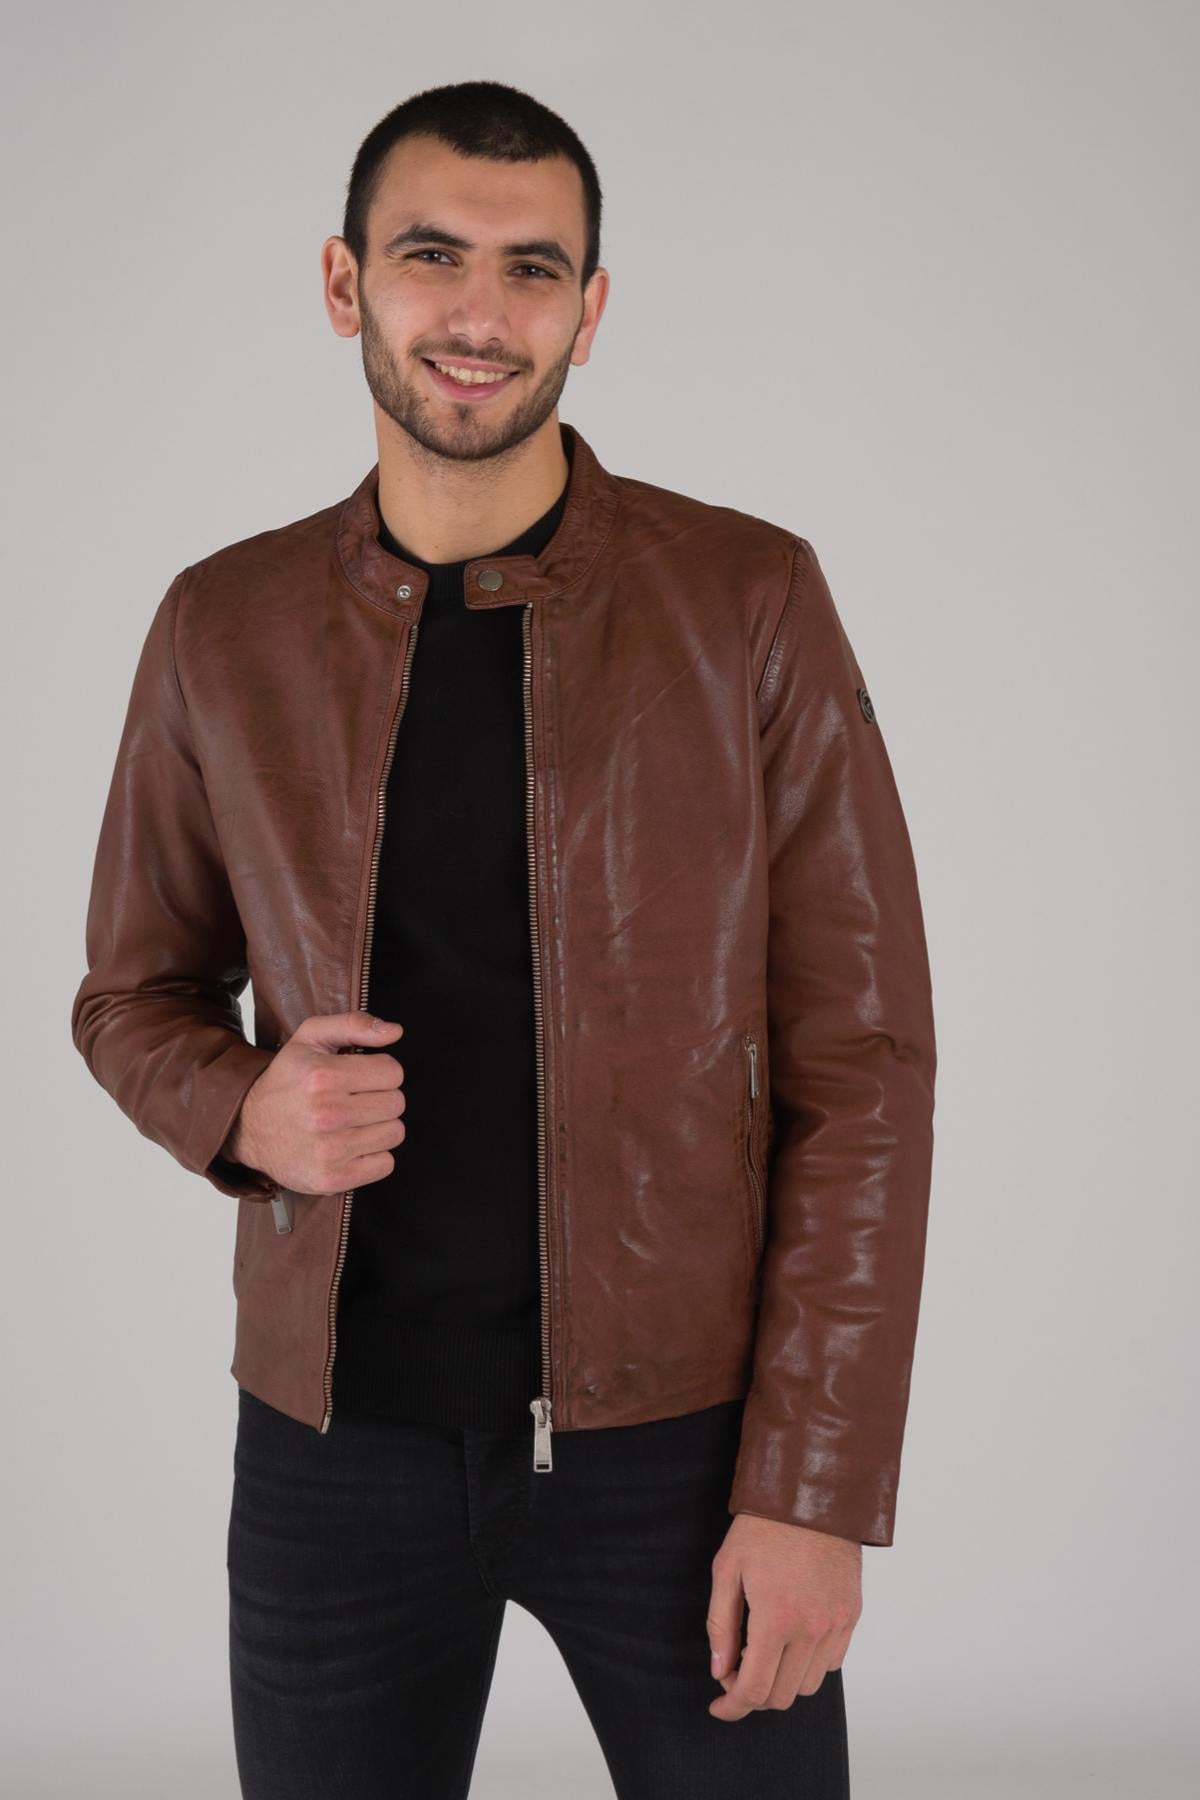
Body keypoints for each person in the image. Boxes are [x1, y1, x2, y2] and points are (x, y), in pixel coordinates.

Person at [71, 77, 937, 1800]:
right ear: (345, 282)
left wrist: (813, 1487)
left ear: (589, 311)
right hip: (332, 1452)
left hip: (685, 1454)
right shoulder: (222, 624)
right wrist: (241, 1108)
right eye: (431, 256)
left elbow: (865, 1065)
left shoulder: (746, 600)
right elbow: (130, 995)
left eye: (532, 269)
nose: (480, 313)